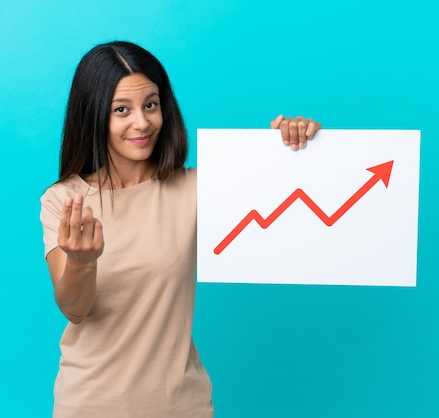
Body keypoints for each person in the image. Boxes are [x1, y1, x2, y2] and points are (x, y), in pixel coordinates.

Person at [40, 40, 321, 418]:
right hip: (90, 405)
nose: (142, 122)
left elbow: (292, 203)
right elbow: (75, 309)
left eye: (150, 105)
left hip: (181, 406)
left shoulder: (196, 188)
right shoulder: (64, 200)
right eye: (121, 110)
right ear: (93, 115)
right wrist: (81, 262)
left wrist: (294, 144)